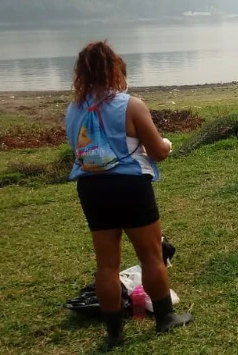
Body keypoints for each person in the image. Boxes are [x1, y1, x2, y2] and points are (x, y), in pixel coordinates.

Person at [64, 41, 192, 349]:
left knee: (106, 265)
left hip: (92, 188)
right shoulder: (131, 105)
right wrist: (167, 144)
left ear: (82, 73)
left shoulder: (73, 110)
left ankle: (114, 334)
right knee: (150, 255)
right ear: (116, 69)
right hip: (130, 185)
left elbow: (77, 150)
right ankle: (164, 318)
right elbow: (158, 152)